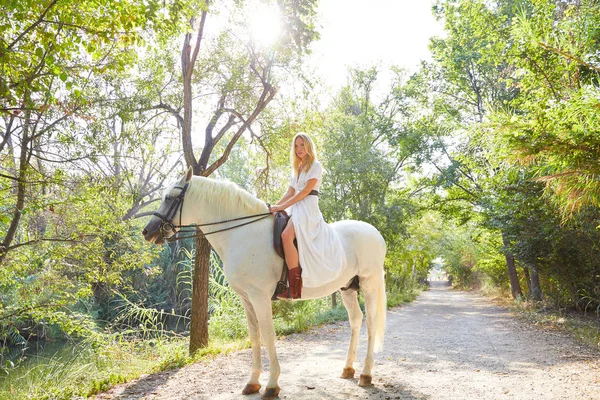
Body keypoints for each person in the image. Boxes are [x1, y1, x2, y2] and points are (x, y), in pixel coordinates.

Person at [269, 133, 346, 299]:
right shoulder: (296, 168)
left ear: (308, 146)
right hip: (296, 208)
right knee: (276, 227)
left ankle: (294, 288)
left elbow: (304, 192)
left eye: (302, 145)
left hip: (307, 209)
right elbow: (290, 192)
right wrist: (275, 206)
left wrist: (282, 206)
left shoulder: (315, 166)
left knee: (286, 235)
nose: (299, 149)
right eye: (296, 146)